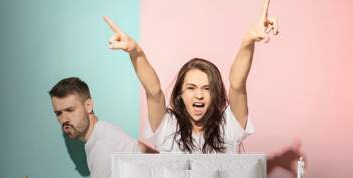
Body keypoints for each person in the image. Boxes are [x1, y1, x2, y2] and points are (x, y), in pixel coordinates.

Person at [103, 0, 279, 154]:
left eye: (207, 88)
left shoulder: (229, 126)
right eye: (191, 88)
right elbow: (154, 91)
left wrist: (248, 40)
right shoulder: (167, 127)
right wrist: (136, 52)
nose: (199, 95)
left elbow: (237, 84)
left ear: (216, 93)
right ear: (180, 93)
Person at [12, 77, 150, 178]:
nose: (64, 119)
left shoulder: (102, 146)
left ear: (88, 105)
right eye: (58, 113)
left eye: (70, 110)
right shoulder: (102, 134)